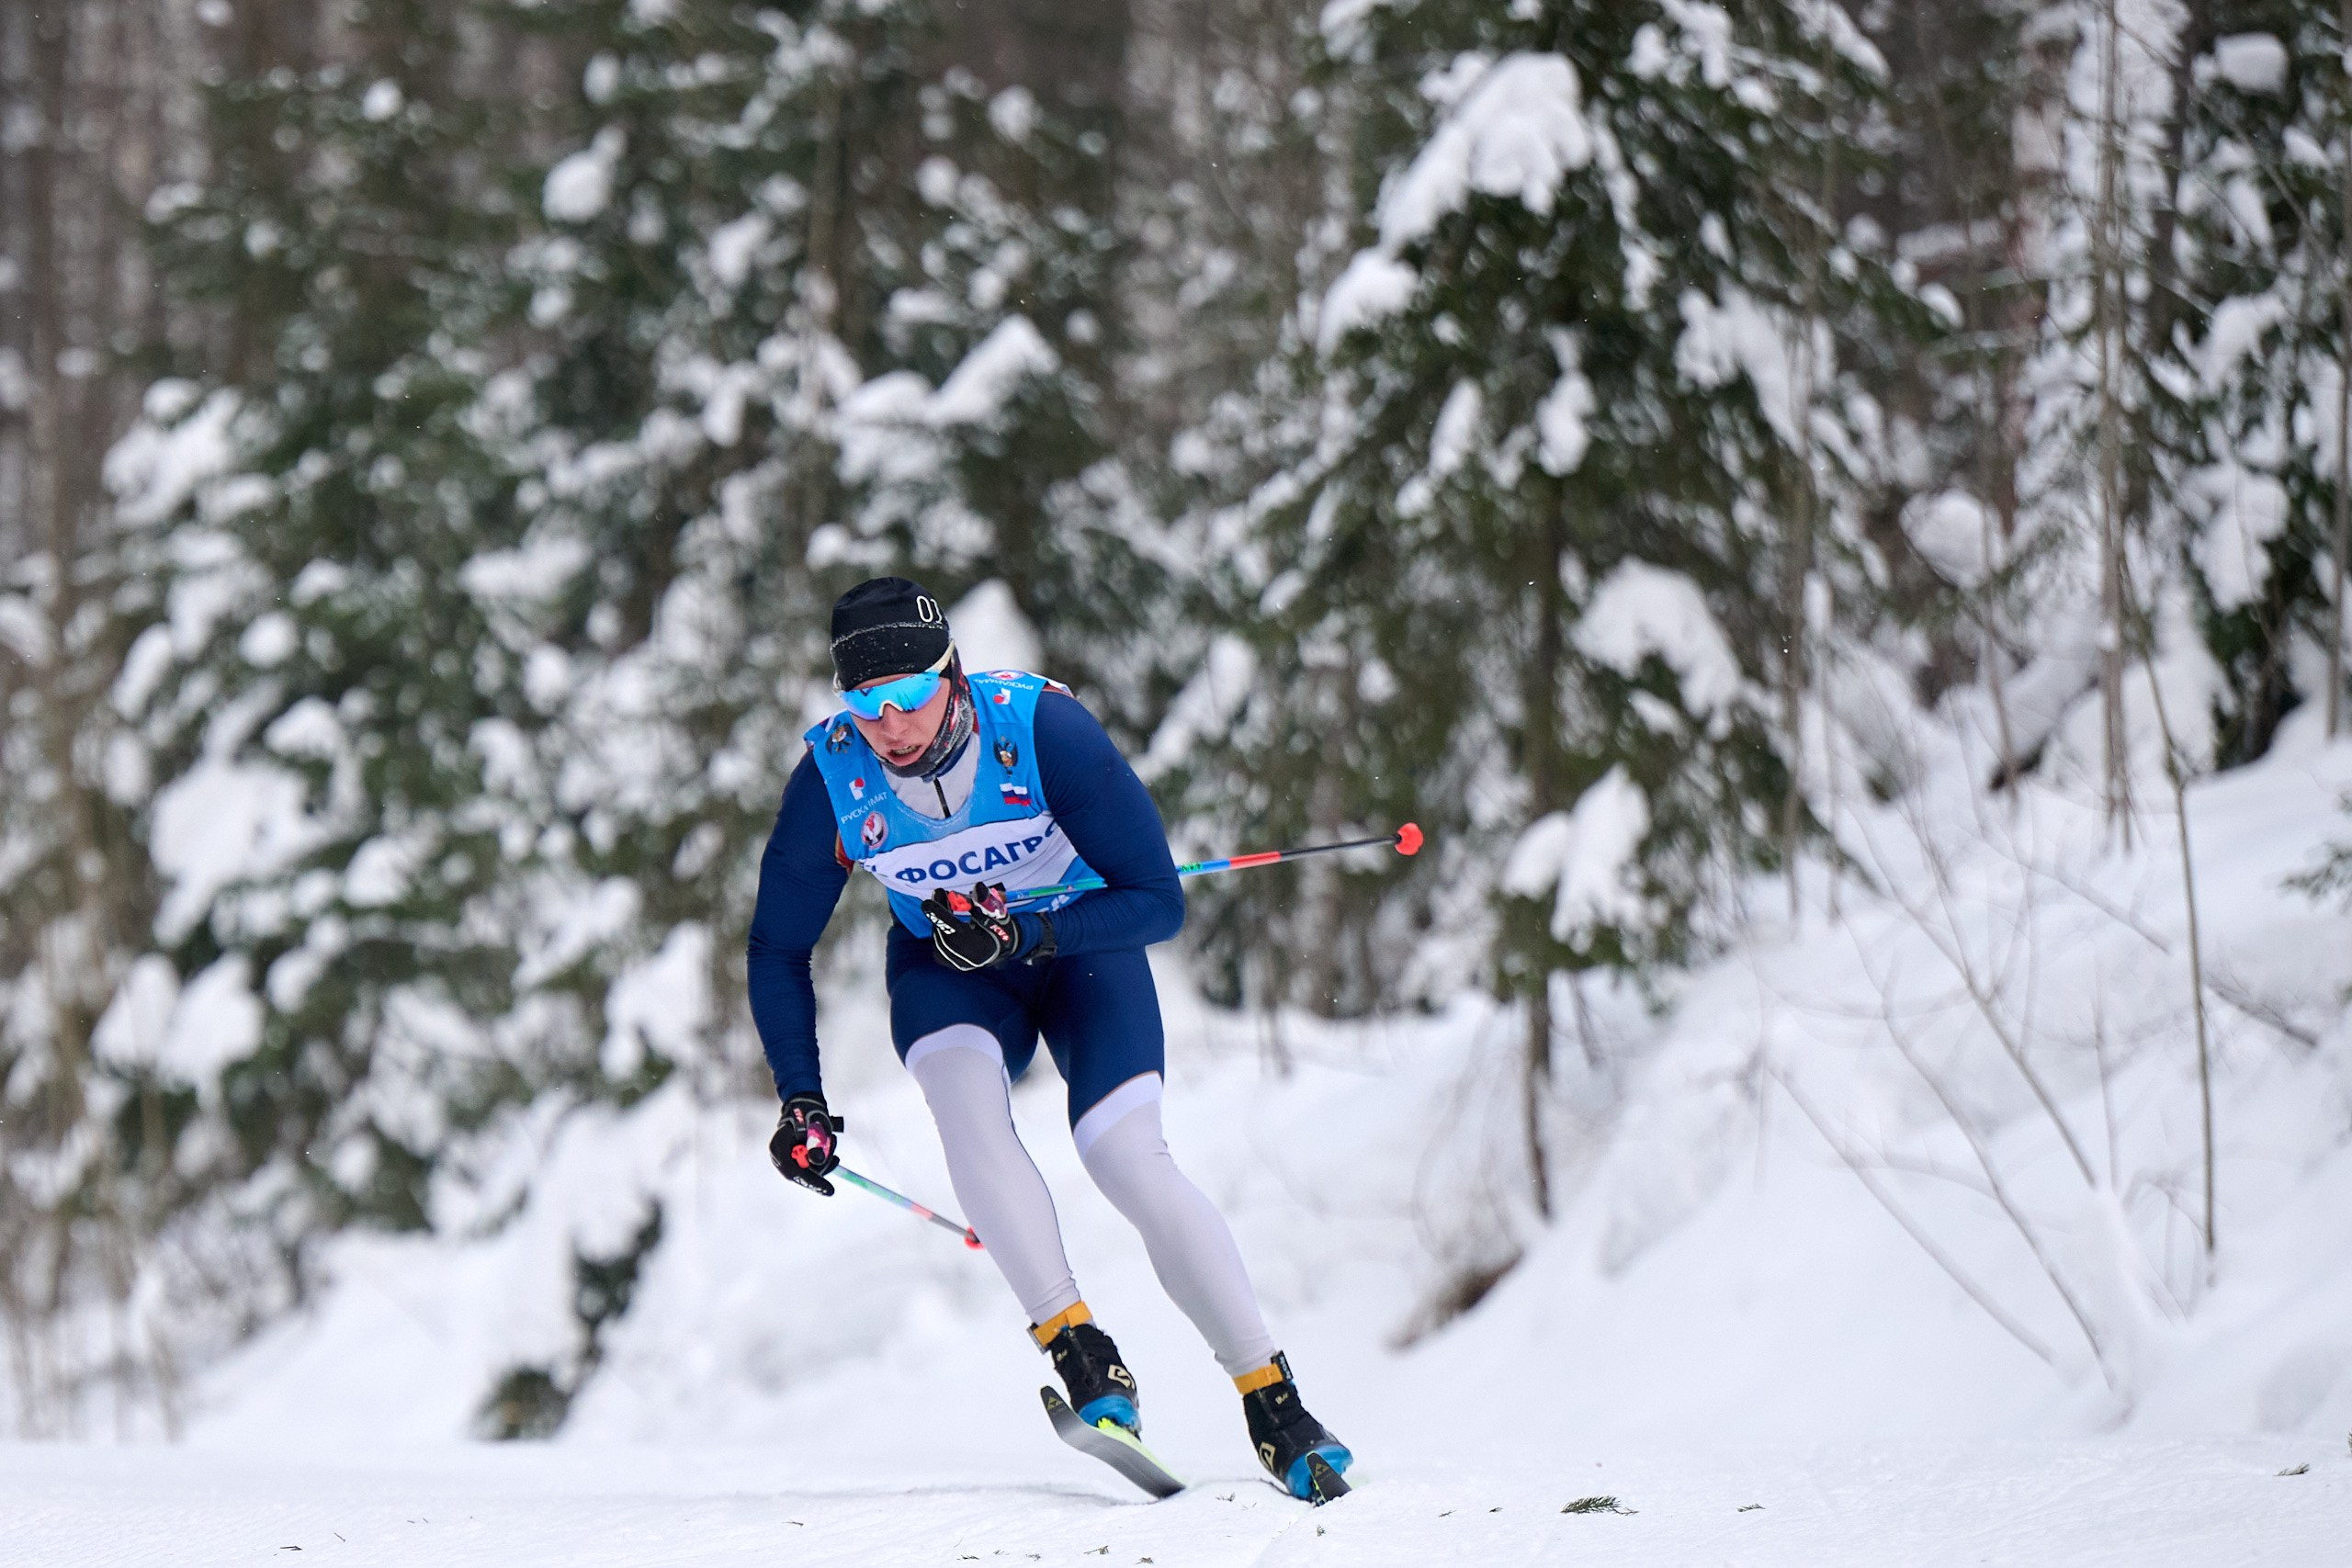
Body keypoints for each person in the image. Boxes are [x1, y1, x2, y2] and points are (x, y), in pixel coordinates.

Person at [747, 576, 1351, 1498]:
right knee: (961, 1103)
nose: (889, 726)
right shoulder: (832, 780)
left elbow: (1157, 903)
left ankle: (1272, 1401)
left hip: (1080, 955)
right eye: (864, 705)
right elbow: (777, 947)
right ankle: (1079, 1349)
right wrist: (799, 1096)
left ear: (950, 673)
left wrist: (1030, 933)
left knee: (1126, 1159)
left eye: (907, 695)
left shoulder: (1039, 732)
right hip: (946, 971)